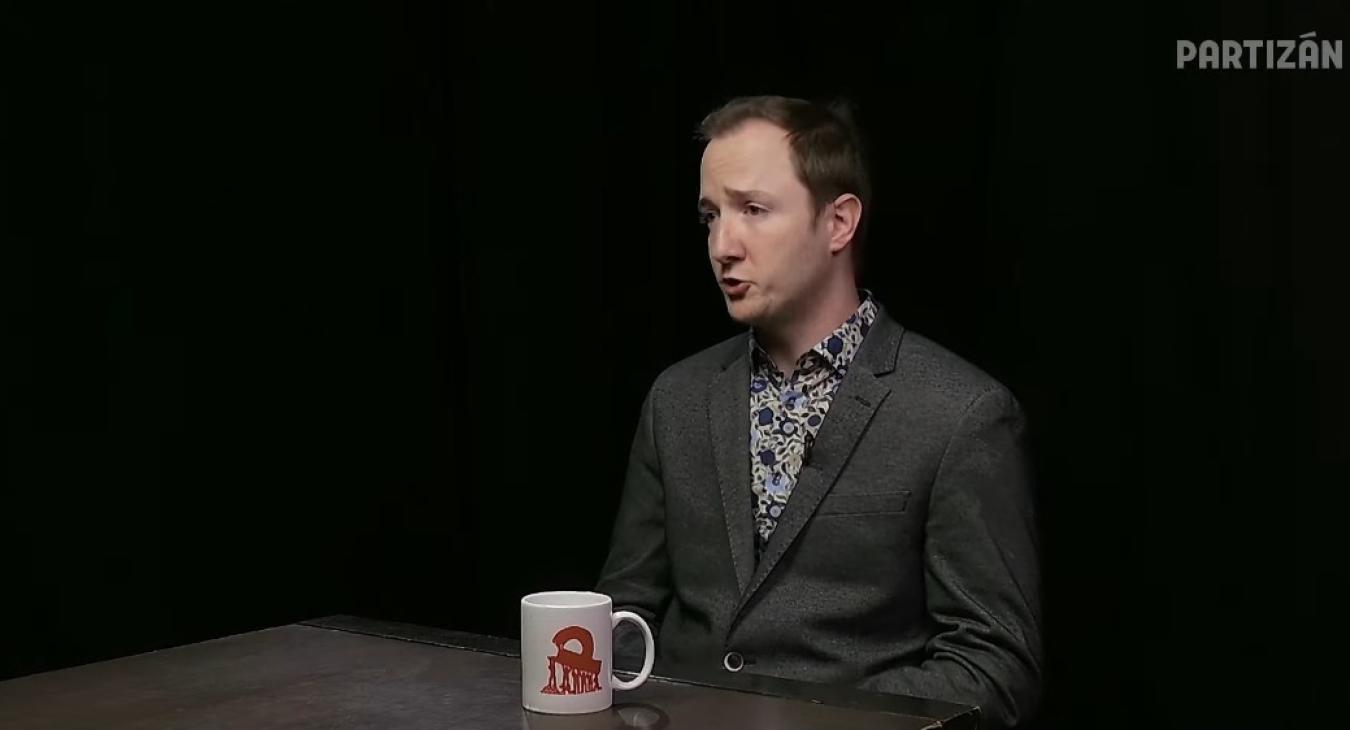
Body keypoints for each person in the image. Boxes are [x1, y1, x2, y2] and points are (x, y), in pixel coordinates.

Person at [595, 95, 1043, 729]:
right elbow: (623, 618)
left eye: (753, 210)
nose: (722, 245)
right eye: (710, 216)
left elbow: (992, 668)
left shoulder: (961, 414)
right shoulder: (678, 398)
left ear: (838, 223)